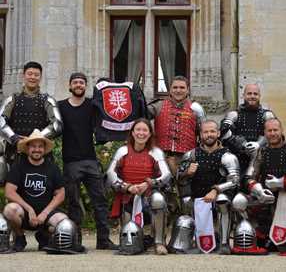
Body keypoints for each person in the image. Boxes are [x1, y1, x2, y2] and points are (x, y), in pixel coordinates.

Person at [58, 72, 116, 250]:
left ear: (85, 86)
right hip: (71, 161)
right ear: (70, 85)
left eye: (81, 82)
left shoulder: (92, 105)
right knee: (74, 203)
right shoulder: (60, 106)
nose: (78, 85)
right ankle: (75, 241)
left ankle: (103, 240)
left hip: (90, 160)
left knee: (100, 201)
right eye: (75, 82)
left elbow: (109, 113)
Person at [232, 118, 286, 255]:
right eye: (269, 130)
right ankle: (250, 235)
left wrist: (281, 183)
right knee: (238, 201)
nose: (273, 133)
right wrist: (259, 191)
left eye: (275, 130)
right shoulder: (260, 152)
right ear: (265, 133)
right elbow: (249, 177)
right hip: (265, 199)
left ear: (281, 131)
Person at [106, 118, 172, 255]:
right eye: (138, 130)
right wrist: (127, 187)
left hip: (148, 194)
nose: (141, 133)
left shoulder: (156, 152)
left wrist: (148, 183)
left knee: (158, 199)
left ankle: (159, 242)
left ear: (149, 134)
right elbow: (110, 173)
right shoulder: (122, 151)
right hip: (128, 194)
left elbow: (166, 175)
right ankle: (131, 241)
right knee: (129, 235)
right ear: (132, 132)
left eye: (145, 130)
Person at [174, 120, 240, 254]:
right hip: (197, 197)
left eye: (212, 131)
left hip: (217, 197)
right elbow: (178, 177)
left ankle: (224, 243)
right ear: (200, 134)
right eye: (205, 132)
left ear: (218, 133)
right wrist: (187, 172)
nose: (209, 135)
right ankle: (192, 240)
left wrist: (216, 190)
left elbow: (235, 180)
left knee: (223, 200)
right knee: (186, 201)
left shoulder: (227, 156)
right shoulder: (191, 155)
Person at [148, 76, 206, 214]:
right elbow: (139, 116)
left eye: (182, 88)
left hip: (186, 158)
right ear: (170, 89)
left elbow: (204, 134)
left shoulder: (195, 108)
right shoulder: (158, 105)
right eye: (175, 87)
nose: (178, 90)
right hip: (162, 158)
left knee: (186, 198)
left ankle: (187, 229)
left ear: (187, 90)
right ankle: (160, 232)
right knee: (160, 197)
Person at [3, 129, 67, 252]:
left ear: (44, 149)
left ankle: (44, 236)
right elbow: (9, 191)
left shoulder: (52, 168)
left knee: (63, 222)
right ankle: (20, 237)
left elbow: (61, 194)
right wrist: (29, 209)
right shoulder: (19, 166)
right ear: (28, 149)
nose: (37, 149)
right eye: (33, 146)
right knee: (9, 210)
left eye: (40, 147)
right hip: (25, 214)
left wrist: (45, 213)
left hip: (46, 214)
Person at [0, 61, 62, 164]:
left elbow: (57, 125)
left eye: (36, 75)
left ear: (40, 77)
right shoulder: (12, 99)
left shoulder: (48, 100)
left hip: (40, 154)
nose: (32, 77)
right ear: (23, 76)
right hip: (15, 153)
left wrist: (35, 139)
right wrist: (15, 139)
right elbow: (1, 121)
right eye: (29, 74)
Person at [220, 83, 275, 180]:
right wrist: (242, 145)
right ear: (243, 95)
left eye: (255, 94)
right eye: (249, 93)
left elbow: (275, 134)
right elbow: (223, 134)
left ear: (259, 96)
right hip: (237, 159)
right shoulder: (234, 114)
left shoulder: (267, 115)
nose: (252, 96)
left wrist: (259, 144)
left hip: (260, 159)